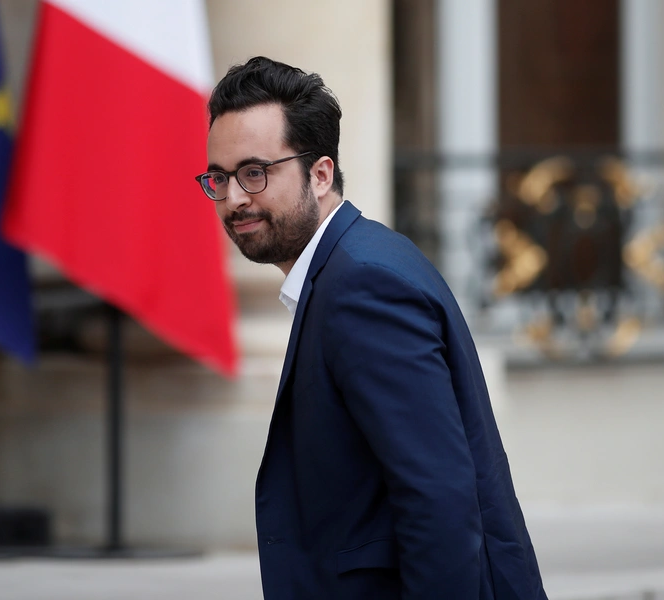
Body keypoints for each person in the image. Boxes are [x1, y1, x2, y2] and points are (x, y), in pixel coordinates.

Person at [196, 56, 547, 599]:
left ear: (321, 173)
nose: (235, 197)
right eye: (219, 177)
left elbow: (438, 500)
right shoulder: (347, 270)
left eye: (255, 172)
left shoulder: (363, 285)